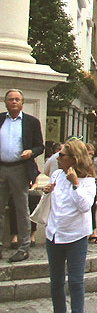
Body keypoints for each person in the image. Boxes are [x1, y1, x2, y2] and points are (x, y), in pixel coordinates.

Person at [43, 138, 96, 313]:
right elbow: (54, 204)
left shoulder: (88, 182)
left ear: (73, 159)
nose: (57, 158)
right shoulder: (56, 175)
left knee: (75, 281)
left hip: (76, 236)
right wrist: (46, 191)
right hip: (54, 235)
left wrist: (75, 184)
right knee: (56, 281)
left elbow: (85, 206)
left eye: (62, 155)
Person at [0, 88, 45, 262]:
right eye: (11, 99)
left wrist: (30, 152)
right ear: (5, 102)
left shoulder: (31, 122)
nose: (14, 102)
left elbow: (40, 146)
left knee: (21, 209)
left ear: (22, 103)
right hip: (1, 167)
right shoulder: (1, 119)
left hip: (20, 169)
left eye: (17, 99)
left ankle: (24, 247)